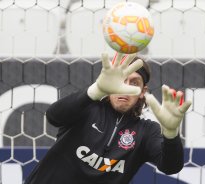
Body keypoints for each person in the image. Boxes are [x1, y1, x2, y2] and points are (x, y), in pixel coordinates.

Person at [25, 52, 191, 184]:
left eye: (134, 83)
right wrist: (96, 89)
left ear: (143, 92)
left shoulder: (146, 131)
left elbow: (171, 167)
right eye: (120, 81)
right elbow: (54, 117)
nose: (125, 88)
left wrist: (171, 133)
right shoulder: (86, 107)